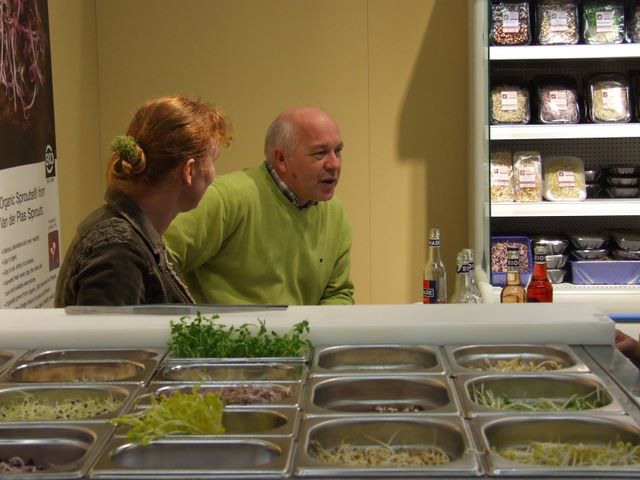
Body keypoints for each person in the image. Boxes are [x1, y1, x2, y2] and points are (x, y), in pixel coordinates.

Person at [164, 105, 354, 305]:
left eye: (338, 151)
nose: (334, 164)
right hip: (224, 326)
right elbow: (157, 260)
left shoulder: (335, 214)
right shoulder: (226, 198)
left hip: (302, 327)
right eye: (320, 153)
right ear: (281, 159)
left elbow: (338, 295)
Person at [55, 96, 232, 307]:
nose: (214, 173)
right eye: (213, 161)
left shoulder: (129, 236)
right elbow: (107, 329)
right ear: (189, 171)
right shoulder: (118, 251)